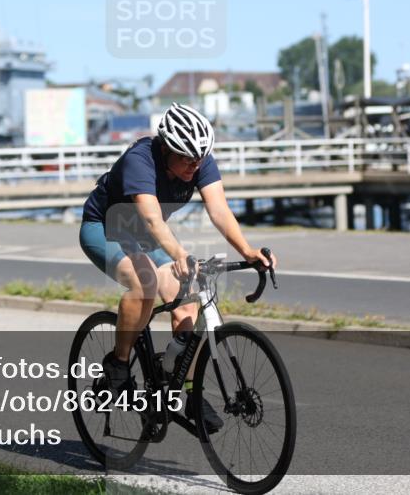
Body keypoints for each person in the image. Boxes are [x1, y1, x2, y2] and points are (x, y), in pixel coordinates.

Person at [79, 103, 276, 431]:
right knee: (144, 285)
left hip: (146, 238)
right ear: (167, 148)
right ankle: (118, 365)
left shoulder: (199, 160)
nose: (194, 166)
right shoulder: (139, 161)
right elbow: (153, 218)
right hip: (105, 228)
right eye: (186, 159)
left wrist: (247, 250)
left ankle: (183, 390)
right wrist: (182, 255)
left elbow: (219, 210)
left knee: (188, 304)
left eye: (199, 159)